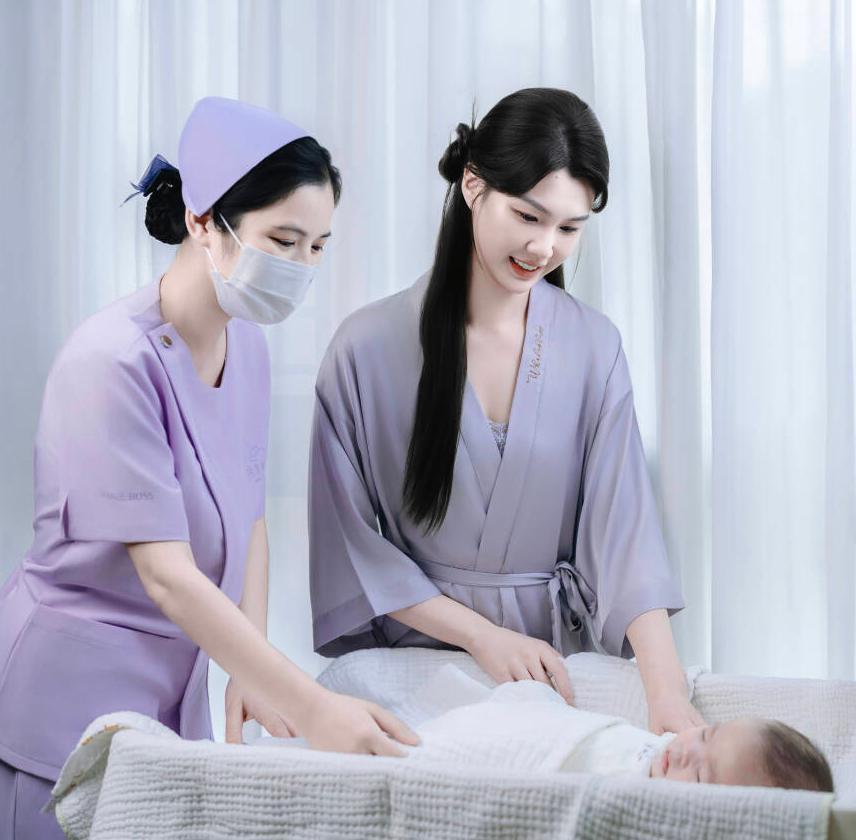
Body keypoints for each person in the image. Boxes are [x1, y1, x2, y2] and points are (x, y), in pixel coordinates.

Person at [0, 96, 416, 840]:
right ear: (202, 221)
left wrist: (252, 676)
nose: (300, 267)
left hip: (168, 706)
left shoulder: (245, 347)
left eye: (317, 247)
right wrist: (315, 708)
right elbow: (166, 574)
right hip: (59, 714)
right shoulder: (112, 363)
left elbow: (249, 521)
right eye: (282, 240)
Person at [309, 87, 702, 736]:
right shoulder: (364, 349)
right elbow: (354, 548)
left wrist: (667, 696)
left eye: (569, 228)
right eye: (528, 216)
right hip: (420, 672)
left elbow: (626, 537)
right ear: (473, 185)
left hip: (551, 669)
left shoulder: (593, 347)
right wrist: (481, 637)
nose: (544, 247)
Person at [400, 667, 834, 792]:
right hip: (541, 727)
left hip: (533, 764)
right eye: (707, 734)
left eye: (701, 776)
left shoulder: (644, 808)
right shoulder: (668, 747)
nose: (686, 751)